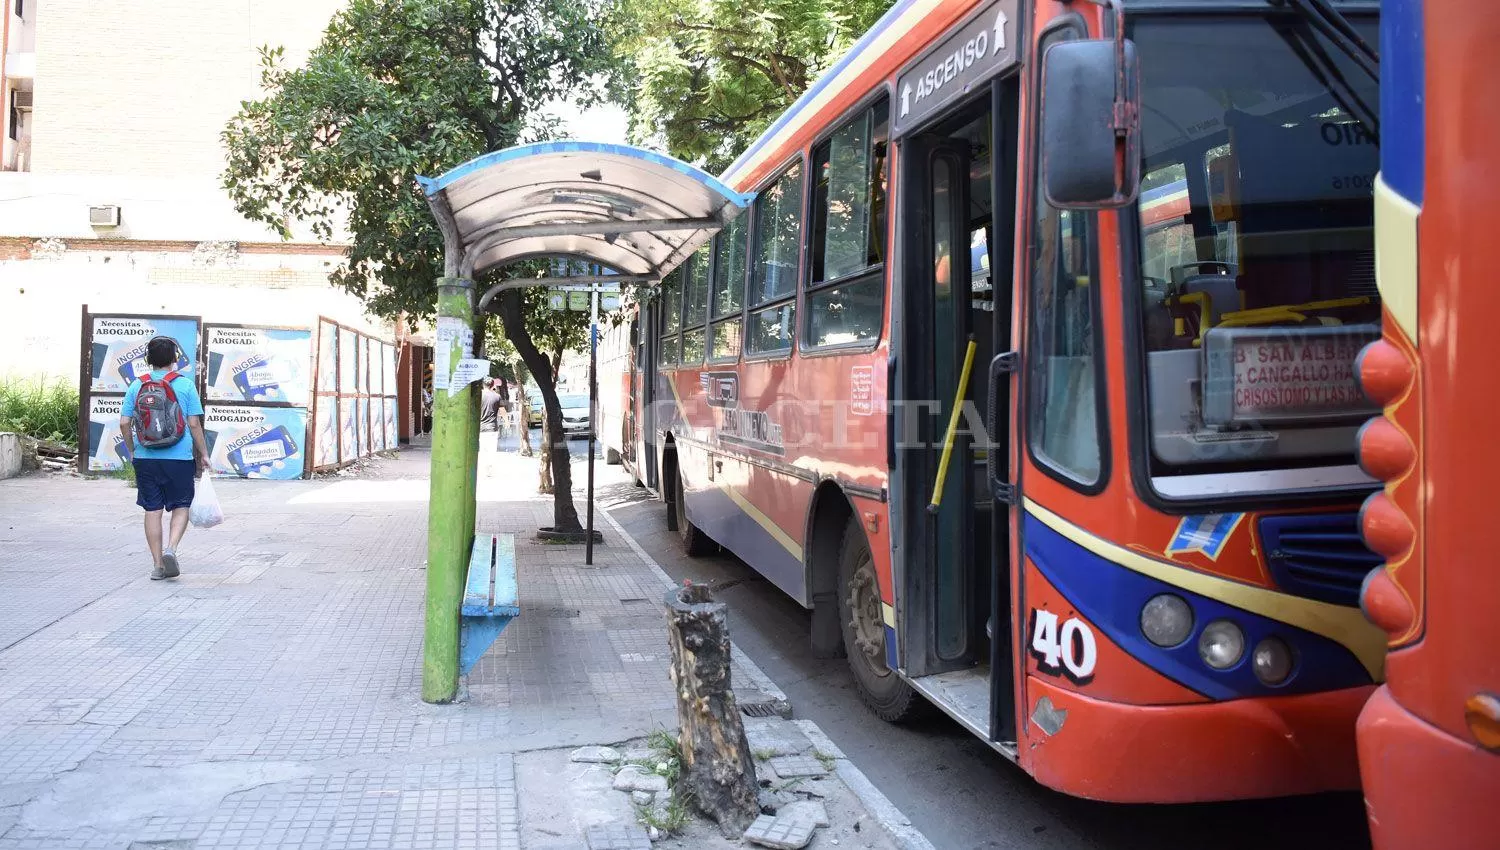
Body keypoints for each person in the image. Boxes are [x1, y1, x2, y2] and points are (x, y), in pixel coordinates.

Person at [119, 336, 211, 581]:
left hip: (146, 457)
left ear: (148, 360)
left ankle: (158, 565)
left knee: (152, 509)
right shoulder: (185, 385)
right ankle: (171, 549)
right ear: (175, 359)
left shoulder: (136, 385)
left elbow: (124, 423)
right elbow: (193, 424)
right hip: (179, 458)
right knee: (181, 504)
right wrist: (203, 454)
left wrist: (132, 450)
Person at [479, 378, 502, 450]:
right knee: (491, 451)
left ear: (483, 385)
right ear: (493, 385)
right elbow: (503, 411)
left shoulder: (479, 395)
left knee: (482, 450)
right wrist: (507, 422)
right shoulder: (497, 396)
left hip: (480, 428)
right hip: (492, 428)